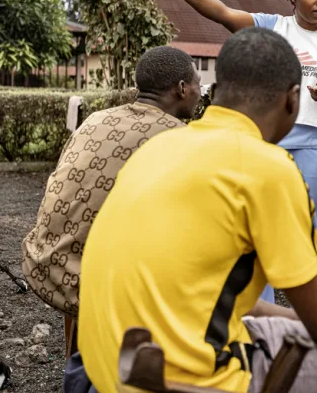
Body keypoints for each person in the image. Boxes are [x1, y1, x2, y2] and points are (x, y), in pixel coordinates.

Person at [71, 28, 317, 393]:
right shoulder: (267, 167)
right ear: (292, 99)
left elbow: (221, 299)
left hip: (112, 369)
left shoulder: (160, 148)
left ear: (215, 92)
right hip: (190, 380)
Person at [140, 0, 317, 240]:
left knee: (307, 223)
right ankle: (264, 285)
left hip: (315, 143)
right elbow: (223, 13)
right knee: (260, 223)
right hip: (268, 139)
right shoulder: (272, 27)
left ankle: (301, 282)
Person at [21, 46, 201, 359]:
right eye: (198, 84)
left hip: (44, 260)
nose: (201, 93)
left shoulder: (95, 119)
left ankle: (76, 363)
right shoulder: (180, 137)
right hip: (94, 283)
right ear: (182, 88)